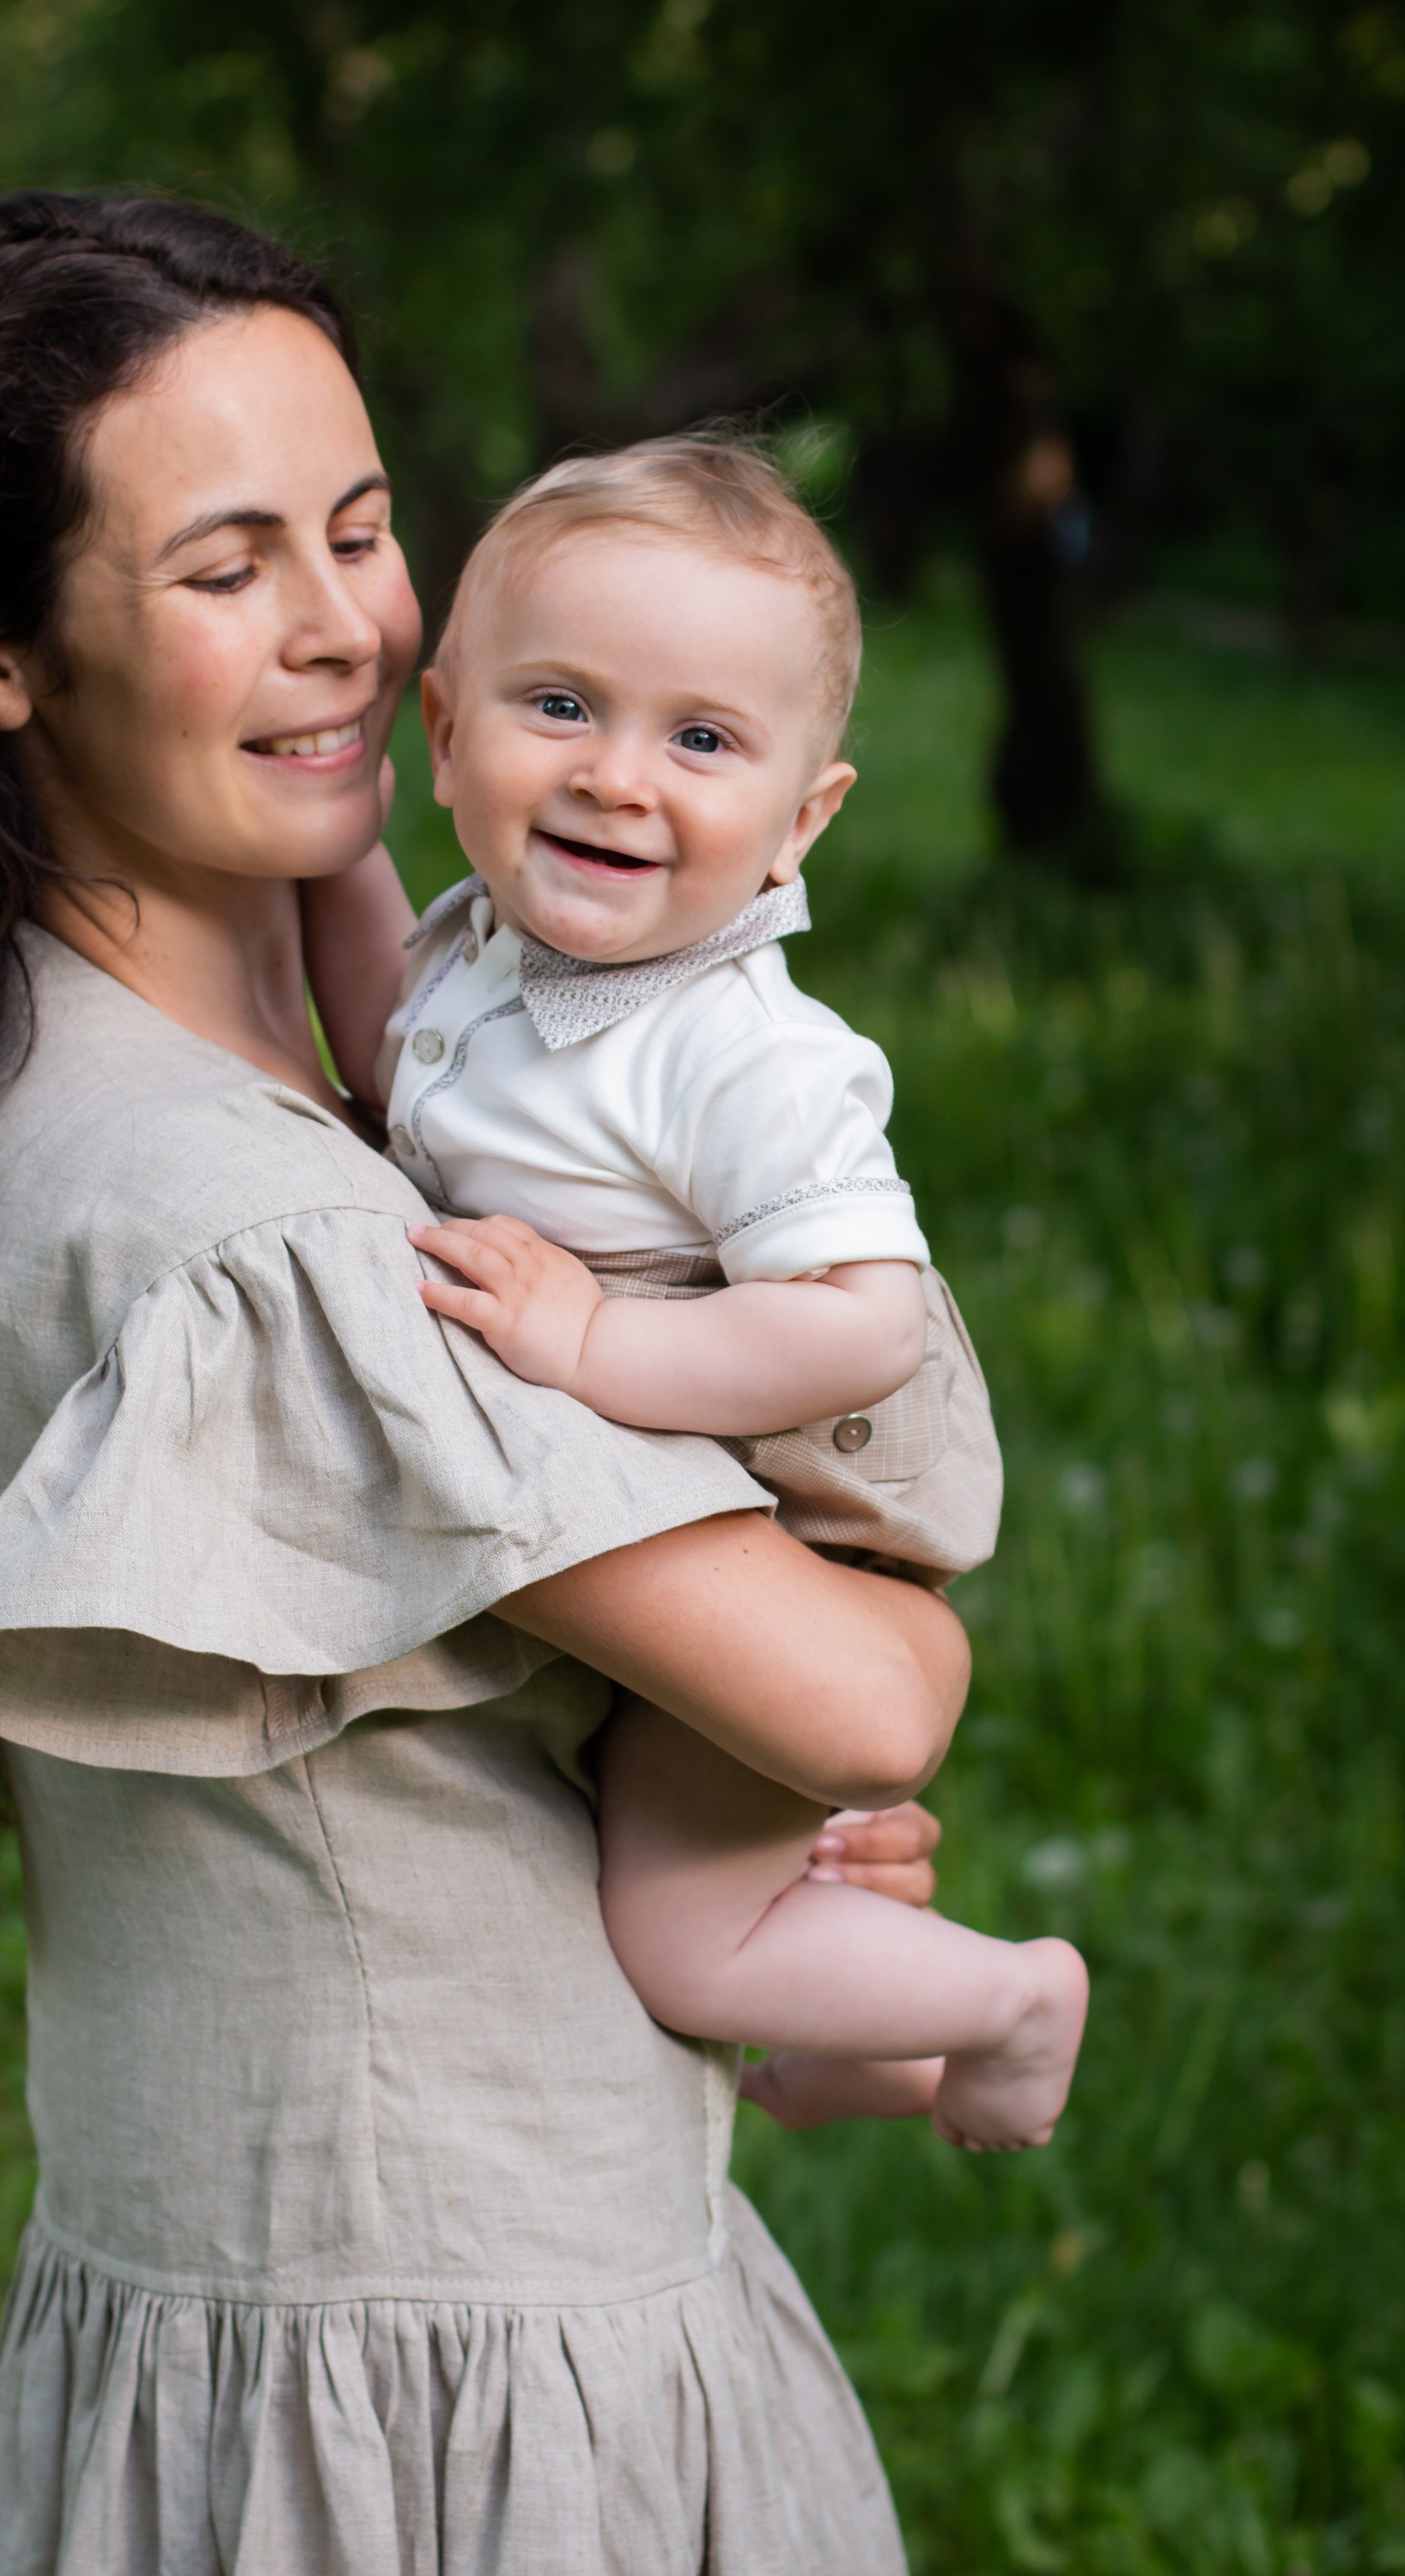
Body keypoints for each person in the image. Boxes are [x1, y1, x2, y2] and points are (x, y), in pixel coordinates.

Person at [0, 192, 964, 2573]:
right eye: (225, 566)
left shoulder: (241, 1035)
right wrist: (888, 1655)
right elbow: (876, 1688)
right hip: (434, 2407)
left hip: (374, 2309)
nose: (348, 630)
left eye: (367, 533)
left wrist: (745, 1867)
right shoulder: (248, 1229)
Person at [314, 439, 1087, 2151]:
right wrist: (311, 845)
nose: (617, 779)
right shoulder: (492, 943)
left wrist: (594, 1338)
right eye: (563, 707)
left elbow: (860, 1321)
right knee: (733, 1869)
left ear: (801, 824)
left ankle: (1009, 2000)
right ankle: (862, 2042)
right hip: (685, 1467)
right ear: (442, 734)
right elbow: (386, 1023)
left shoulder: (739, 1059)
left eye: (704, 740)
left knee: (682, 1930)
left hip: (803, 1511)